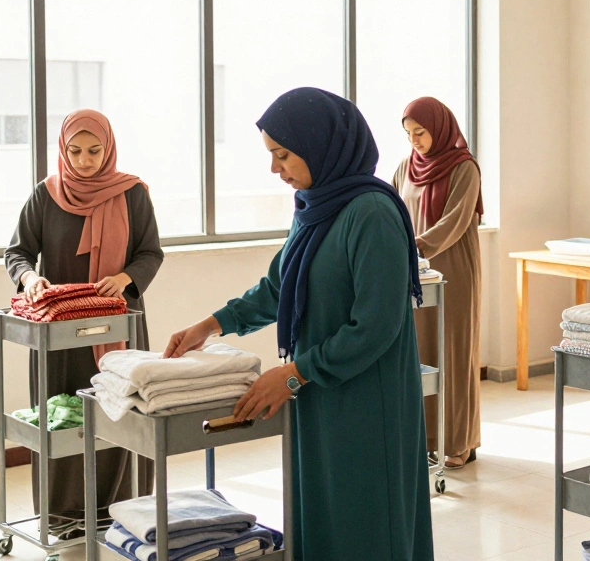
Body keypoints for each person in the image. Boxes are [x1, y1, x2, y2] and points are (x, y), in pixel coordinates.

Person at [164, 88, 434, 561]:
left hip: (369, 402)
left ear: (321, 145)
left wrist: (290, 375)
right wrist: (210, 325)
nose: (276, 169)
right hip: (321, 392)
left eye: (283, 154)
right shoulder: (316, 207)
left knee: (369, 518)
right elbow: (280, 285)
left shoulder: (372, 214)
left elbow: (375, 325)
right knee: (323, 511)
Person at [4, 110, 161, 526]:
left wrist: (126, 276)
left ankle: (124, 510)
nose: (84, 161)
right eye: (74, 151)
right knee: (62, 412)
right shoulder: (46, 194)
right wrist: (30, 276)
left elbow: (151, 253)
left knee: (121, 411)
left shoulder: (132, 194)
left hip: (117, 325)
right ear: (62, 149)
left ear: (108, 148)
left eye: (94, 151)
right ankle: (61, 514)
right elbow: (16, 252)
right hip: (59, 331)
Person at [393, 96, 483, 469]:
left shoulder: (464, 168)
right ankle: (428, 439)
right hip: (414, 273)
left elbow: (457, 219)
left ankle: (460, 442)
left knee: (453, 352)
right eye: (409, 133)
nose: (415, 140)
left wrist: (416, 244)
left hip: (453, 270)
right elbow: (391, 207)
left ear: (440, 128)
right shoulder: (404, 168)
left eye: (421, 132)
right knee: (420, 354)